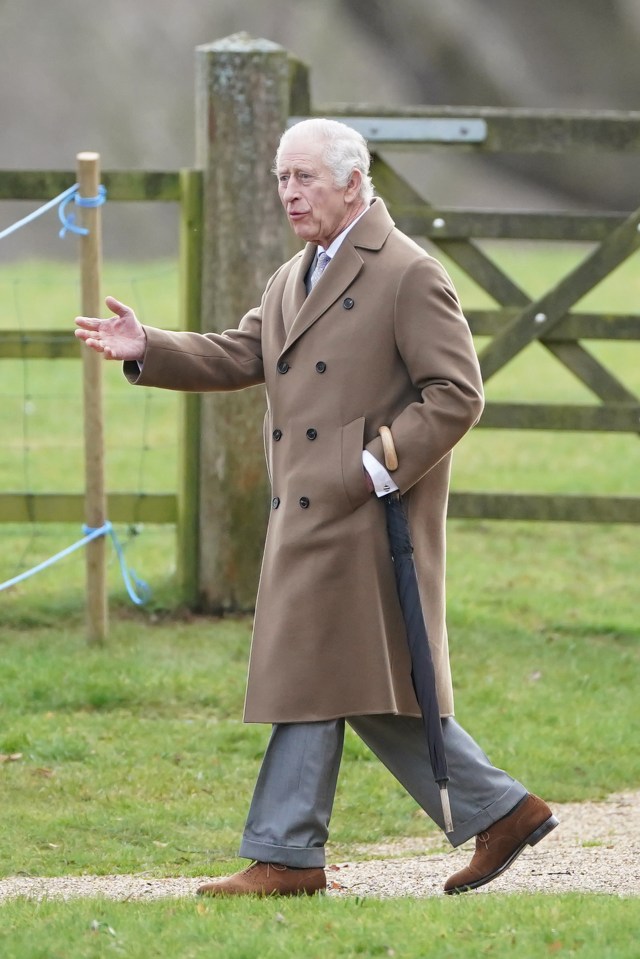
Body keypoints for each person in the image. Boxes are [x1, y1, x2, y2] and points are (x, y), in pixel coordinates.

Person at [75, 117, 557, 897]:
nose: (288, 193)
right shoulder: (293, 273)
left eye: (304, 178)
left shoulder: (406, 271)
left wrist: (373, 465)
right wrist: (150, 348)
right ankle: (494, 812)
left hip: (368, 516)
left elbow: (457, 393)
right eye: (281, 178)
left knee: (328, 669)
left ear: (353, 183)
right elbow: (244, 352)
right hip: (308, 512)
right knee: (342, 673)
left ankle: (291, 852)